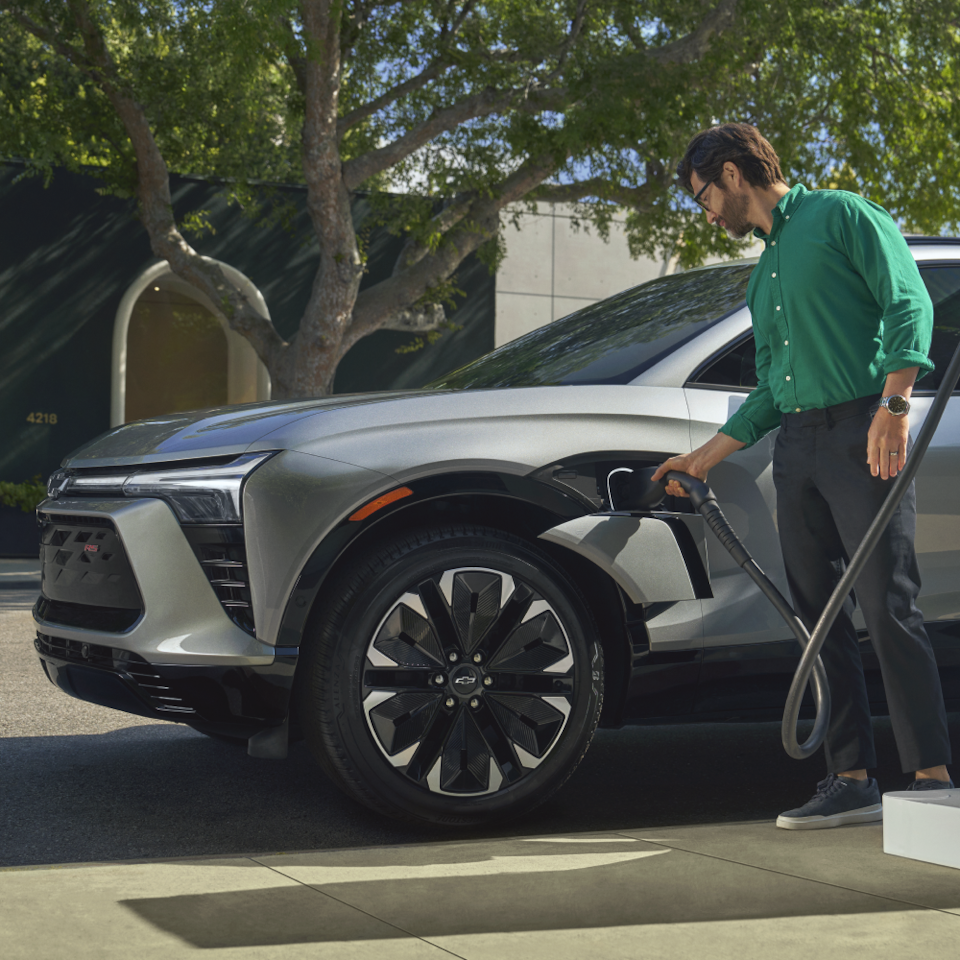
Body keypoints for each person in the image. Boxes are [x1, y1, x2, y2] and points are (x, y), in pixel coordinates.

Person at [653, 123, 953, 830]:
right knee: (818, 620)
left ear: (730, 173)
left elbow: (909, 301)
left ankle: (933, 781)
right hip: (797, 446)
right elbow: (768, 390)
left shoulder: (842, 214)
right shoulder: (764, 273)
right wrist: (702, 458)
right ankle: (850, 779)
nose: (706, 213)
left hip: (862, 433)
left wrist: (895, 405)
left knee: (887, 606)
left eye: (702, 197)